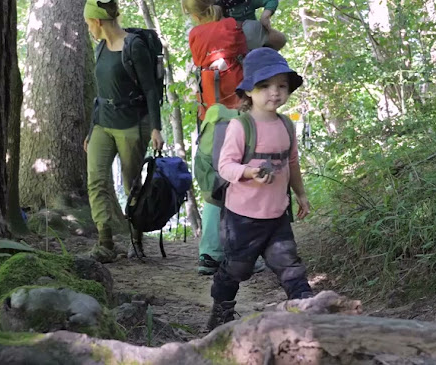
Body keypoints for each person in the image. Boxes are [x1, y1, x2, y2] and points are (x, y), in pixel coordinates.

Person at [206, 48, 313, 331]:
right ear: (249, 91)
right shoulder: (242, 126)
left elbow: (292, 162)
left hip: (277, 214)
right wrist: (249, 172)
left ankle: (310, 315)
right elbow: (225, 166)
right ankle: (221, 311)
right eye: (264, 86)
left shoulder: (286, 125)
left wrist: (300, 194)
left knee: (289, 265)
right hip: (242, 217)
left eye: (281, 86)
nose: (274, 93)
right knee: (238, 268)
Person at [183, 0, 266, 275]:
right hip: (243, 119)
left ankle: (210, 254)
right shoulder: (243, 30)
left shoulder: (196, 36)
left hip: (211, 119)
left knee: (213, 185)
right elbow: (278, 40)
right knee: (247, 181)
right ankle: (247, 254)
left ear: (195, 13)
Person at [83, 0, 164, 263]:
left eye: (88, 23)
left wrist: (156, 127)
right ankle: (105, 241)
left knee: (132, 185)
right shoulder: (100, 49)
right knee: (95, 180)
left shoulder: (134, 47)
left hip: (132, 124)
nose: (89, 29)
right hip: (103, 124)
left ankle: (136, 239)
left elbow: (151, 89)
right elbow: (101, 94)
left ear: (98, 21)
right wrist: (91, 129)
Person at [216, 0, 286, 51]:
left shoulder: (248, 2)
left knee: (280, 39)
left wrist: (265, 15)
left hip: (254, 34)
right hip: (231, 38)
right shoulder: (215, 5)